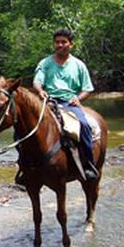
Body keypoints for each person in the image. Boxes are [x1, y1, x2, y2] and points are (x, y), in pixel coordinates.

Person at [31, 28, 99, 181]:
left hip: (69, 102)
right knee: (26, 126)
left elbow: (87, 88)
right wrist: (41, 91)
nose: (60, 45)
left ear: (71, 44)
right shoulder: (45, 63)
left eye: (63, 42)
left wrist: (78, 98)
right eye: (57, 42)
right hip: (49, 102)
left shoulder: (78, 65)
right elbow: (37, 81)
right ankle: (24, 166)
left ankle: (88, 165)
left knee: (84, 125)